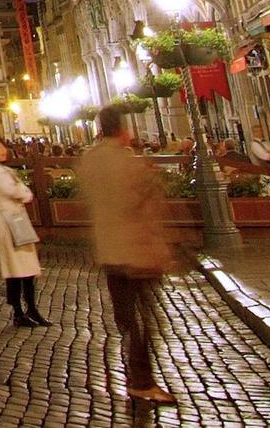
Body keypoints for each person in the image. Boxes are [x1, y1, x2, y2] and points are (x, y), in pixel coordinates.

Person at [77, 103, 178, 407]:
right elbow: (148, 206)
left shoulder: (88, 161)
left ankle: (135, 372)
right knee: (144, 318)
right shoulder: (130, 163)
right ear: (122, 131)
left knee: (126, 316)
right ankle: (141, 379)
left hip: (108, 248)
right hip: (137, 252)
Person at [0, 137, 48, 328]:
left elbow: (24, 192)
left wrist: (23, 192)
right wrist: (23, 193)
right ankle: (19, 311)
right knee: (16, 269)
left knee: (27, 268)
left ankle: (32, 309)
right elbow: (15, 191)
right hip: (9, 223)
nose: (2, 150)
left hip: (18, 221)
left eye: (3, 146)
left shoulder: (6, 170)